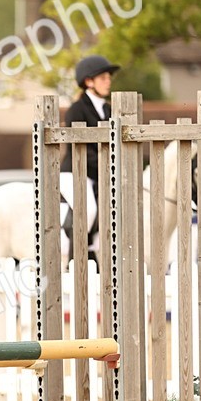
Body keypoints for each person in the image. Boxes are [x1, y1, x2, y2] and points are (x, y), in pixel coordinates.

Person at [59, 54, 119, 259]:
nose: (108, 81)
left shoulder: (109, 109)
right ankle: (77, 257)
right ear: (88, 81)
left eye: (109, 78)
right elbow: (80, 148)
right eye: (103, 78)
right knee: (88, 210)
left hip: (100, 174)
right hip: (76, 172)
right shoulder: (76, 110)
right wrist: (109, 165)